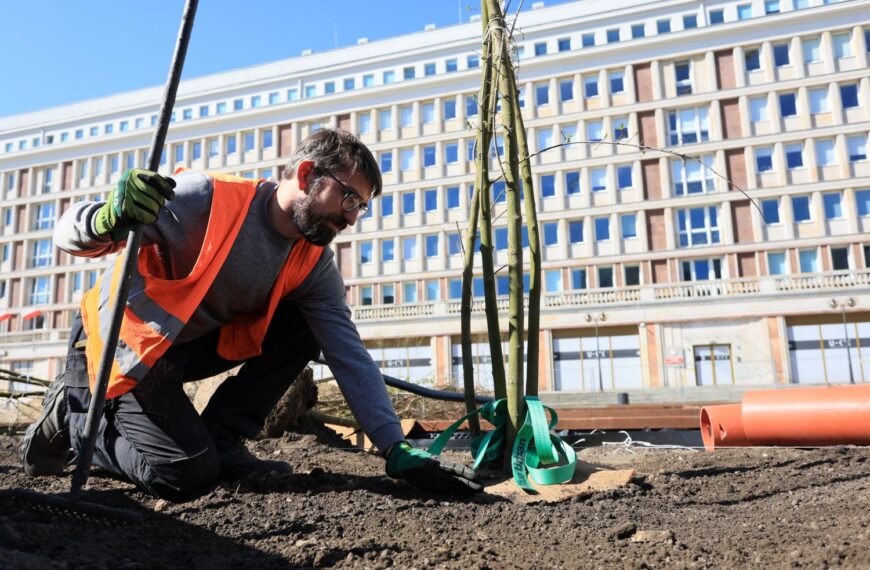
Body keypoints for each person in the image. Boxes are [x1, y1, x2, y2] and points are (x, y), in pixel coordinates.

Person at [20, 128, 482, 500]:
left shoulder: (313, 260)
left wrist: (393, 446)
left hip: (181, 349)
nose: (352, 219)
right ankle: (82, 422)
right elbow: (68, 234)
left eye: (361, 206)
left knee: (307, 326)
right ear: (306, 175)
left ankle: (221, 436)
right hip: (118, 343)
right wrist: (107, 217)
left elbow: (348, 352)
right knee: (184, 477)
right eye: (348, 200)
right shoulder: (205, 198)